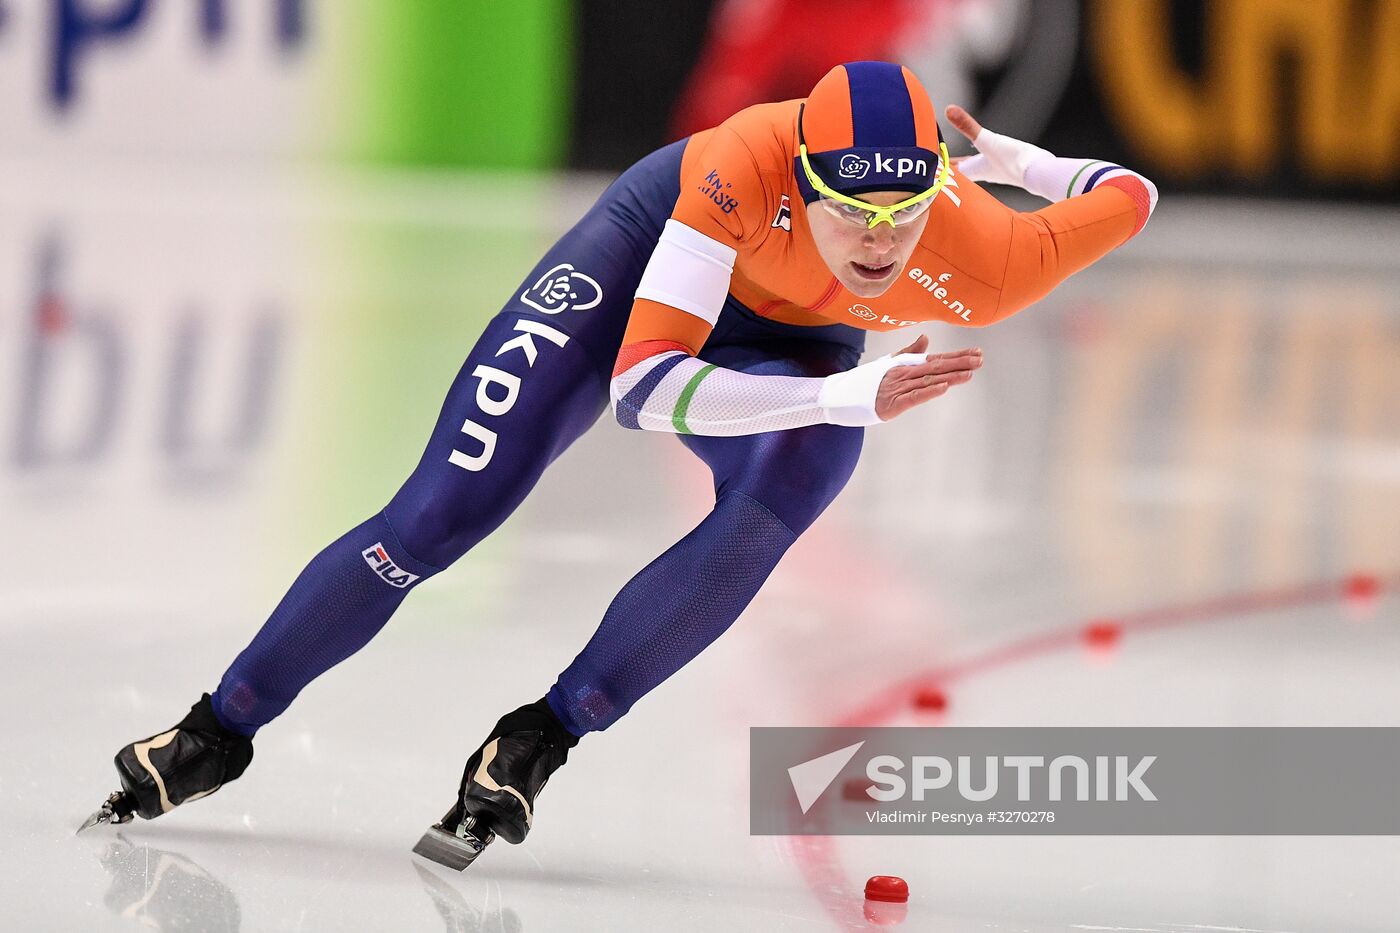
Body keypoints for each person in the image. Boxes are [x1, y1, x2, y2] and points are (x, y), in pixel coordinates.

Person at [83, 62, 1157, 868]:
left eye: (901, 212)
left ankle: (540, 736)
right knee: (439, 518)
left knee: (778, 503)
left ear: (933, 189)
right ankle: (216, 731)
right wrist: (840, 393)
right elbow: (644, 388)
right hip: (638, 275)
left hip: (793, 337)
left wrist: (1016, 164)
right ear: (799, 175)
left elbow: (1127, 192)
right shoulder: (741, 164)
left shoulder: (990, 261)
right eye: (845, 209)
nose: (875, 243)